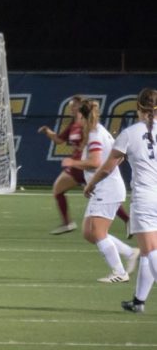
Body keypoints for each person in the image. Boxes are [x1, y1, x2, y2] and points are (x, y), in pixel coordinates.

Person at [84, 88, 157, 313]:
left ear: (138, 107)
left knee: (151, 250)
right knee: (146, 252)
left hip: (145, 198)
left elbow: (107, 166)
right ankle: (138, 300)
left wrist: (91, 184)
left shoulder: (130, 133)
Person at [60, 99, 138, 282]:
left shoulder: (95, 134)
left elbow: (95, 162)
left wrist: (73, 163)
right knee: (89, 232)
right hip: (105, 188)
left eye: (77, 115)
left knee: (97, 232)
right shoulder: (100, 131)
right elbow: (120, 156)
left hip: (106, 189)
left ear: (82, 115)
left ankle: (119, 272)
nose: (75, 119)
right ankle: (130, 252)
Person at [39, 95, 130, 235]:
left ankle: (67, 222)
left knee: (59, 189)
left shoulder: (91, 129)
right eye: (70, 107)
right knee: (97, 215)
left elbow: (95, 160)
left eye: (74, 106)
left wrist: (74, 160)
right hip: (84, 167)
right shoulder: (75, 125)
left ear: (80, 108)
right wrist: (48, 132)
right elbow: (59, 140)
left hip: (83, 166)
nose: (71, 109)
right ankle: (128, 223)